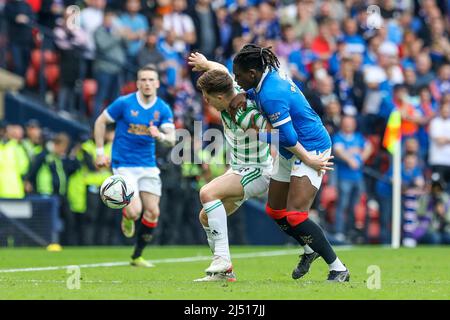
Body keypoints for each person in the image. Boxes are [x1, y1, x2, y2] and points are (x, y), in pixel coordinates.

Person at [230, 44, 349, 282]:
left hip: (311, 148)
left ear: (253, 73)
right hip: (290, 151)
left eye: (239, 75)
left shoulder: (271, 94)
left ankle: (338, 269)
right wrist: (247, 94)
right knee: (275, 210)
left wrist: (258, 135)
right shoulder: (268, 79)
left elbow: (288, 137)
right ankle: (309, 249)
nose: (236, 79)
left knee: (296, 216)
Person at [188, 52, 273, 282]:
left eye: (207, 98)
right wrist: (206, 65)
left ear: (219, 96)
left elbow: (274, 134)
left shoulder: (245, 112)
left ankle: (223, 259)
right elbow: (223, 71)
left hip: (258, 170)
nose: (206, 102)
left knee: (207, 192)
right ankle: (225, 273)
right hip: (239, 169)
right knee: (206, 217)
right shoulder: (230, 90)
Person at [94, 65, 175, 267]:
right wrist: (100, 152)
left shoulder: (162, 108)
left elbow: (172, 140)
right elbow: (100, 122)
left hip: (148, 165)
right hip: (124, 165)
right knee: (134, 211)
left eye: (151, 80)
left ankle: (137, 255)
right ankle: (127, 217)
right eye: (143, 80)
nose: (147, 83)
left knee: (153, 212)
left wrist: (161, 136)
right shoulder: (124, 103)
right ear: (138, 83)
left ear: (157, 83)